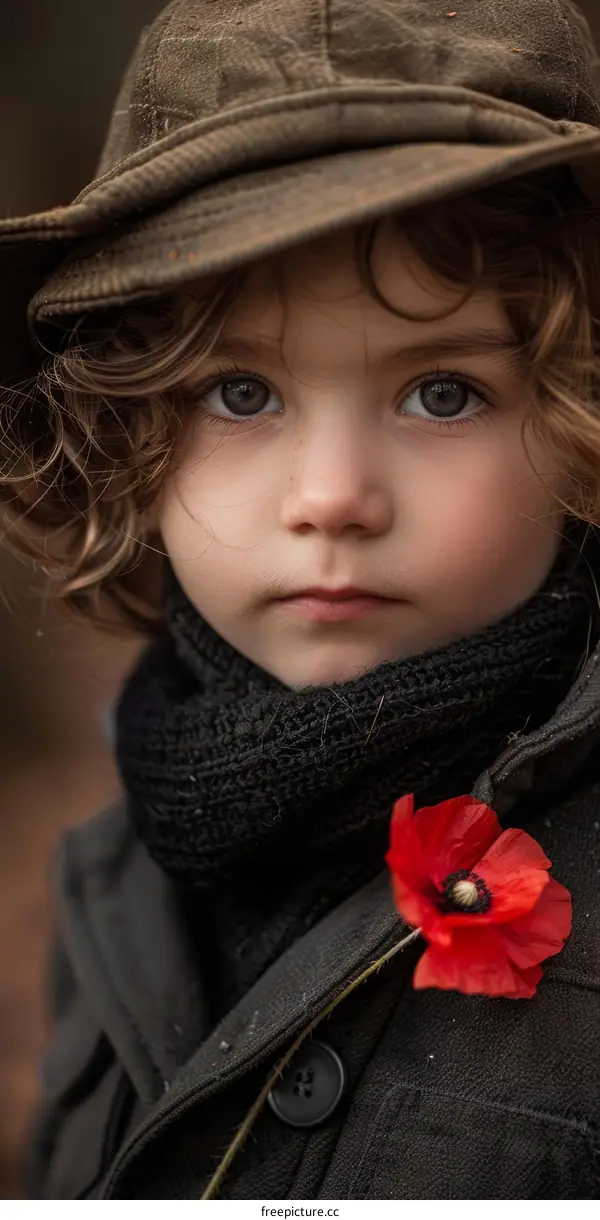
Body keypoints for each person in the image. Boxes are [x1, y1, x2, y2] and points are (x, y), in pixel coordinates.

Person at [2, 0, 600, 1201]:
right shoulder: (114, 875)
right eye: (238, 392)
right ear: (131, 437)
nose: (333, 498)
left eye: (441, 392)